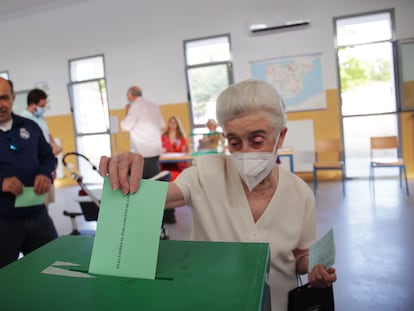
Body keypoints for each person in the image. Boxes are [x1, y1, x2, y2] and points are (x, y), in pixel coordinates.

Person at [99, 79, 337, 311]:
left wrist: (314, 268)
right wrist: (127, 172)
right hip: (213, 301)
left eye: (256, 141)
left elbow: (301, 255)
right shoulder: (206, 173)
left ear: (280, 136)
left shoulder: (299, 194)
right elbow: (157, 197)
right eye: (234, 143)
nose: (245, 152)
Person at [0, 78, 58, 268]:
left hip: (37, 216)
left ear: (13, 98)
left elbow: (49, 157)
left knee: (53, 266)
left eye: (4, 98)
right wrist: (1, 182)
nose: (0, 104)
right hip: (4, 221)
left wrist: (44, 174)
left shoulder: (30, 127)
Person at [20, 88, 62, 205]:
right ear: (33, 105)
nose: (43, 109)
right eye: (42, 106)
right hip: (36, 166)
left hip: (46, 163)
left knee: (46, 200)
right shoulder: (24, 121)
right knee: (38, 201)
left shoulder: (40, 118)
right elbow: (27, 147)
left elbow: (47, 133)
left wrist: (54, 145)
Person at [120, 86, 165, 179]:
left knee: (146, 183)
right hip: (155, 150)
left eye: (127, 97)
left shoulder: (135, 106)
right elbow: (162, 127)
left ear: (131, 96)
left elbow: (125, 128)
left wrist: (127, 112)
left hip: (144, 151)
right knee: (155, 179)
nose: (127, 99)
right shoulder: (154, 105)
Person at [160, 116, 189, 223]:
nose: (172, 124)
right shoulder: (163, 136)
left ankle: (170, 212)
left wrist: (184, 149)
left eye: (174, 122)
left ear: (177, 124)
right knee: (165, 178)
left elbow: (184, 150)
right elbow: (160, 148)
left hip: (177, 165)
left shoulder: (181, 137)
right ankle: (168, 213)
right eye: (170, 122)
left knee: (175, 177)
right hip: (165, 164)